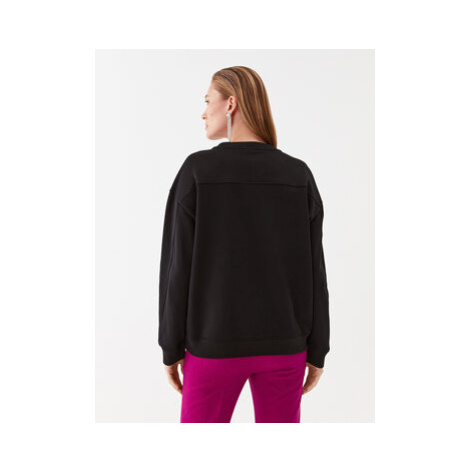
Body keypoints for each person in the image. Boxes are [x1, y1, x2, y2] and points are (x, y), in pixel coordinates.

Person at [158, 66, 330, 423]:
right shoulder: (298, 174)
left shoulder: (197, 171)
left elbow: (177, 266)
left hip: (213, 346)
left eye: (208, 101)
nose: (203, 112)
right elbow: (315, 271)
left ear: (231, 104)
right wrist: (317, 349)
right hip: (285, 347)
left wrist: (170, 345)